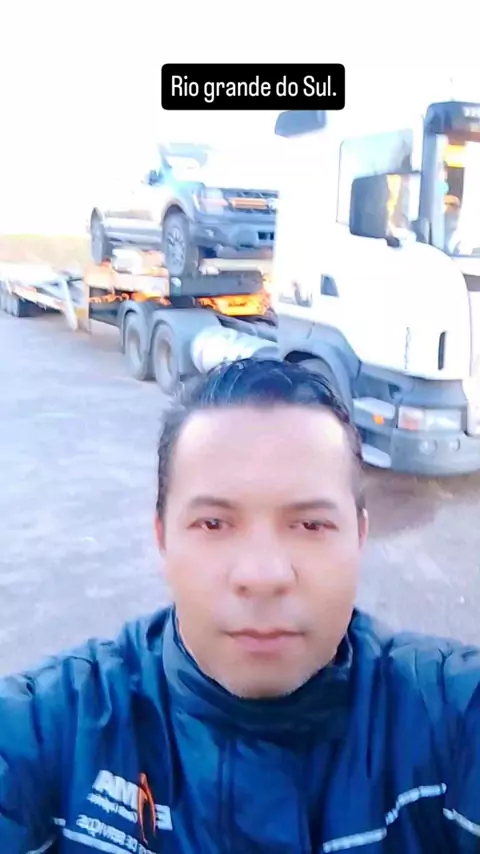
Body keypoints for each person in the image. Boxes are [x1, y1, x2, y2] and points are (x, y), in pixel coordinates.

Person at [1, 358, 480, 853]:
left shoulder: (451, 719)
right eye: (213, 524)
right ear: (162, 539)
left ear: (359, 536)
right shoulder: (49, 731)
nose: (263, 576)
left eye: (310, 525)